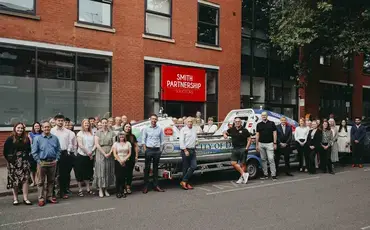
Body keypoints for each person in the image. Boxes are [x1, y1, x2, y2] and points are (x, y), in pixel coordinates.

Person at [32, 121, 61, 207]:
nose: (46, 128)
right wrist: (39, 161)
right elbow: (34, 152)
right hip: (42, 162)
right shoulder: (37, 139)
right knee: (41, 182)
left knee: (51, 181)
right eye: (45, 127)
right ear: (42, 128)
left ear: (50, 128)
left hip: (52, 162)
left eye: (48, 127)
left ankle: (49, 197)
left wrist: (57, 159)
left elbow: (58, 150)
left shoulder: (55, 138)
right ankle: (41, 198)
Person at [4, 123, 32, 206]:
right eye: (18, 128)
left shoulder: (26, 139)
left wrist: (27, 160)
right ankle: (15, 199)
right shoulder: (10, 139)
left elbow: (29, 150)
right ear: (15, 128)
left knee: (25, 180)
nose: (20, 129)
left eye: (21, 128)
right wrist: (11, 161)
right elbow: (5, 151)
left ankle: (25, 198)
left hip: (24, 163)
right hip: (13, 163)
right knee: (14, 181)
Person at [51, 114, 74, 199]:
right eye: (58, 120)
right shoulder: (52, 131)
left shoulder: (67, 132)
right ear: (55, 121)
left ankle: (62, 192)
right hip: (54, 154)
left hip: (64, 154)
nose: (60, 122)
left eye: (61, 120)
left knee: (63, 174)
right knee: (53, 174)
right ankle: (52, 193)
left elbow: (70, 143)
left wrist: (68, 150)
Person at [223, 117, 251, 184]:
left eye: (238, 121)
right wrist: (224, 134)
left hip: (243, 148)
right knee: (233, 163)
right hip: (235, 148)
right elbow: (225, 132)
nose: (237, 123)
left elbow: (249, 139)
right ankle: (244, 174)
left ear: (241, 122)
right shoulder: (232, 129)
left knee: (243, 164)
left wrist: (246, 148)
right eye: (236, 122)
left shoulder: (245, 130)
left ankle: (241, 178)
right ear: (234, 123)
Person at [142, 114, 165, 194]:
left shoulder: (160, 129)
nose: (154, 120)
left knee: (155, 169)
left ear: (157, 120)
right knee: (147, 169)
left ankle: (156, 186)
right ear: (150, 119)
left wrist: (160, 150)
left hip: (156, 151)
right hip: (148, 150)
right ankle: (146, 186)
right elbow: (143, 140)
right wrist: (145, 150)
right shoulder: (146, 128)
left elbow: (162, 140)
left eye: (155, 119)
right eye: (152, 119)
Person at [93, 118, 116, 198]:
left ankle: (106, 189)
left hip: (110, 153)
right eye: (103, 123)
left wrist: (110, 153)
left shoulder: (112, 133)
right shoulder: (98, 133)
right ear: (101, 124)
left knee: (108, 170)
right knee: (101, 170)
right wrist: (104, 153)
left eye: (106, 123)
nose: (105, 124)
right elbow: (97, 144)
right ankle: (100, 189)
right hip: (100, 153)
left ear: (108, 123)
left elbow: (114, 143)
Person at [75, 119, 95, 197]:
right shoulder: (80, 133)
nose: (87, 124)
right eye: (85, 123)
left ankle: (88, 189)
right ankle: (80, 190)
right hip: (82, 155)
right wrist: (88, 153)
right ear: (82, 124)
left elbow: (94, 144)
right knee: (80, 173)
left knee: (88, 173)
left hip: (90, 155)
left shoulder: (91, 133)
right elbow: (80, 145)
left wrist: (91, 152)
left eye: (88, 123)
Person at [256, 111, 278, 181]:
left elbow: (274, 133)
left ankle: (273, 175)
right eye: (262, 116)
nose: (264, 117)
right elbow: (257, 135)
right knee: (263, 160)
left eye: (265, 115)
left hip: (270, 144)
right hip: (261, 144)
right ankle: (265, 174)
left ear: (267, 116)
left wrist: (275, 143)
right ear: (261, 117)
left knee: (271, 159)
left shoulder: (272, 123)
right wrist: (257, 145)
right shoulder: (258, 124)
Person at [179, 117, 198, 189]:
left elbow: (196, 139)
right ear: (186, 122)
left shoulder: (194, 129)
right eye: (188, 121)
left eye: (191, 121)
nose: (190, 123)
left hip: (193, 150)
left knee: (194, 166)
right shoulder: (183, 130)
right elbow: (181, 141)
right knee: (185, 168)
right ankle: (186, 183)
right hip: (186, 150)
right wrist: (185, 150)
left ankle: (184, 181)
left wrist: (196, 142)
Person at [112, 132, 132, 198]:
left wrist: (124, 160)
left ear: (124, 137)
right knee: (118, 177)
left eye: (123, 136)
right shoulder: (115, 144)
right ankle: (118, 191)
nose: (121, 137)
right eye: (120, 136)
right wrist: (120, 161)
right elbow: (115, 154)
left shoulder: (128, 143)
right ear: (118, 137)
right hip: (118, 161)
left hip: (126, 161)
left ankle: (123, 191)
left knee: (124, 177)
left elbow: (129, 153)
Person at [123, 123, 139, 194]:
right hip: (122, 156)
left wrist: (136, 156)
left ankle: (128, 187)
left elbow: (136, 146)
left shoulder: (133, 136)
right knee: (123, 172)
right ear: (123, 127)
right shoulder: (120, 136)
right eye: (126, 127)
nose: (128, 128)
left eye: (129, 127)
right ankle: (123, 187)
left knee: (129, 173)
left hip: (131, 156)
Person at [64, 119, 76, 195]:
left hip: (70, 154)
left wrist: (73, 153)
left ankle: (67, 188)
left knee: (68, 172)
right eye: (66, 124)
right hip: (63, 153)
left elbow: (74, 144)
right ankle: (62, 188)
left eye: (69, 124)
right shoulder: (61, 133)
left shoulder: (72, 133)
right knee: (63, 173)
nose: (68, 126)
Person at [28, 122, 42, 186]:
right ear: (33, 127)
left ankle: (38, 181)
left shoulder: (42, 133)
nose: (37, 127)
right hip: (32, 152)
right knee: (32, 169)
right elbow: (31, 143)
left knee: (38, 168)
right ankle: (33, 181)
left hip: (40, 153)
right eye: (35, 126)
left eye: (38, 126)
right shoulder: (30, 134)